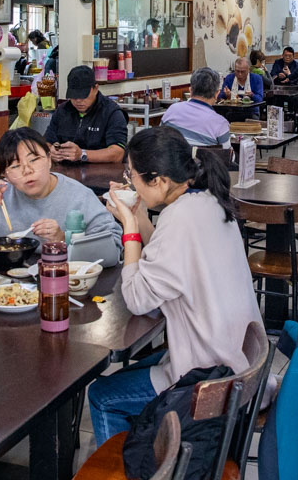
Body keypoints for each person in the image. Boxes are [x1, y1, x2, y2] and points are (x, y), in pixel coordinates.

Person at [88, 126, 262, 442]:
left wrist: (128, 228)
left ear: (160, 180)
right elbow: (170, 261)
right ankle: (151, 449)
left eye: (132, 176)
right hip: (230, 356)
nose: (130, 183)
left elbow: (138, 299)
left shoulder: (180, 218)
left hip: (206, 374)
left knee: (103, 396)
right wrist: (138, 216)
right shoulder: (206, 200)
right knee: (127, 374)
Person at [0, 128, 120, 250]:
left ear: (49, 159)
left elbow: (113, 247)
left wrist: (63, 239)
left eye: (34, 160)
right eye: (15, 166)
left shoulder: (79, 196)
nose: (27, 171)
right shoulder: (0, 196)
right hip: (8, 288)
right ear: (4, 175)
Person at [44, 65, 128, 164]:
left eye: (84, 96)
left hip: (102, 175)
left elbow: (117, 153)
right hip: (66, 174)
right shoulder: (62, 111)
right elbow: (46, 142)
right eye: (74, 96)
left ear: (96, 89)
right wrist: (51, 150)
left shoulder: (111, 113)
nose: (78, 101)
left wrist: (82, 154)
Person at [162, 68, 231, 149]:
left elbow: (159, 139)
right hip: (203, 161)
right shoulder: (220, 123)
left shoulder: (172, 110)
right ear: (217, 94)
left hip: (170, 160)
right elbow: (228, 157)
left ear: (190, 90)